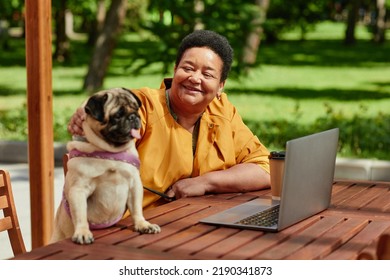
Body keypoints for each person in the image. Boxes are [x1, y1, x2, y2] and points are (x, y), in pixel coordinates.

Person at [68, 30, 270, 208]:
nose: (195, 78)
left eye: (207, 74)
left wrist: (205, 182)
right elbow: (116, 103)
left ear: (221, 86)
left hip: (197, 222)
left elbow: (265, 168)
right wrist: (88, 107)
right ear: (175, 71)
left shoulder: (223, 112)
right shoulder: (146, 106)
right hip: (127, 226)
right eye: (188, 68)